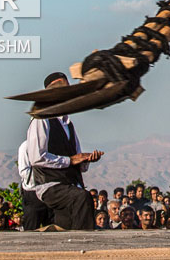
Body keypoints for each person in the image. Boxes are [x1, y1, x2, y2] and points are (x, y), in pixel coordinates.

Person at [25, 71, 104, 230]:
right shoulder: (42, 119)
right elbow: (36, 157)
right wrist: (70, 160)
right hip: (50, 185)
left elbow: (77, 158)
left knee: (65, 226)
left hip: (70, 183)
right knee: (82, 198)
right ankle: (85, 246)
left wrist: (86, 160)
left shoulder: (68, 124)